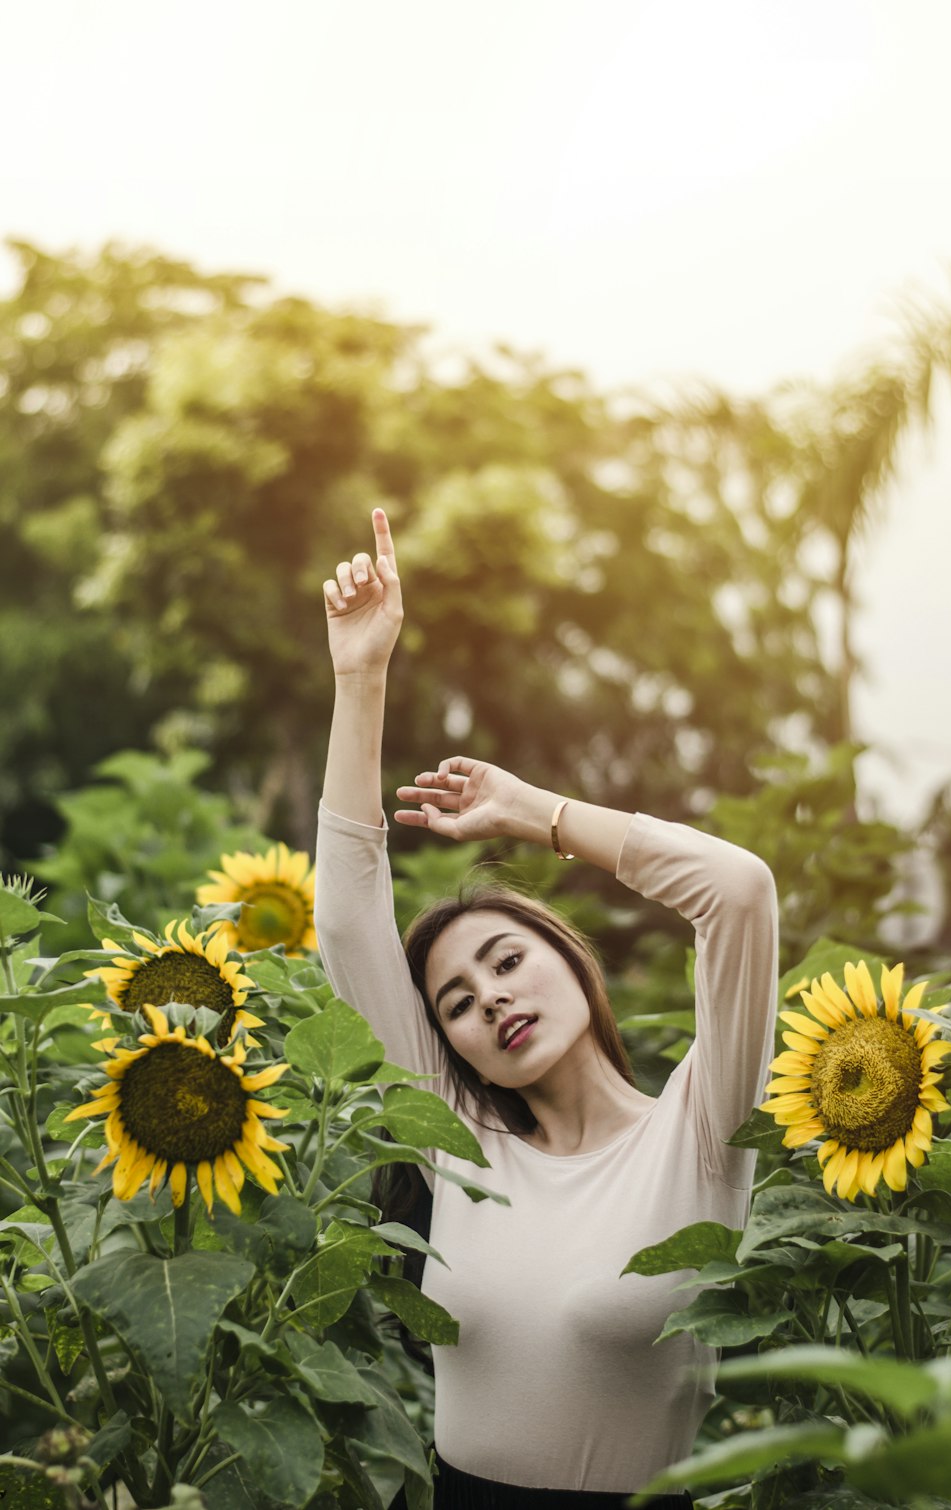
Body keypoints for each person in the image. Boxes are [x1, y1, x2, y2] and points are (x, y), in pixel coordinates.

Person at [314, 508, 779, 1509]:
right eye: (458, 1002)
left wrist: (536, 813)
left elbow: (735, 892)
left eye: (507, 958)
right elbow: (348, 914)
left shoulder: (702, 1134)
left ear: (570, 959)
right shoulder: (461, 1140)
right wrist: (361, 675)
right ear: (457, 1050)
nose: (492, 998)